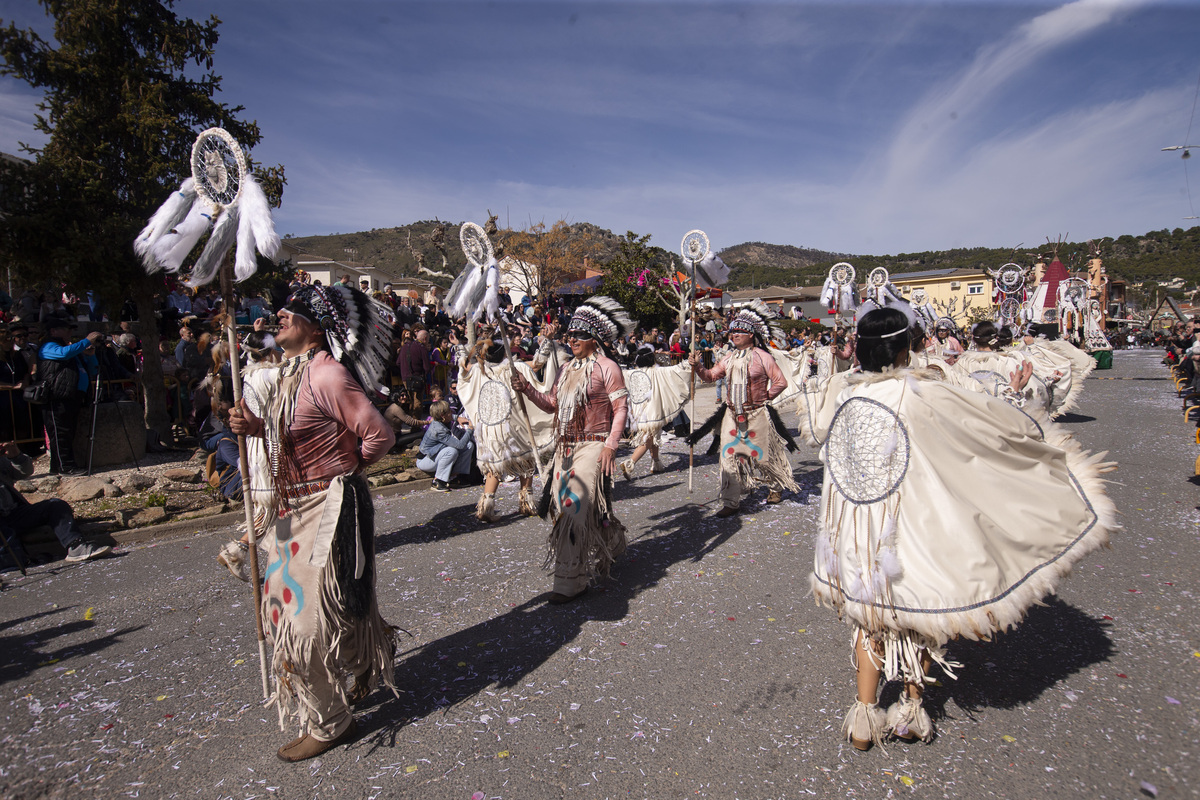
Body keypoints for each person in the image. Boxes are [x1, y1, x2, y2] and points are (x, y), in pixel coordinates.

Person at [809, 307, 1116, 750]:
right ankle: (911, 711)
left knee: (868, 622)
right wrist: (1016, 399)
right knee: (920, 620)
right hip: (909, 527)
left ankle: (863, 716)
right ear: (904, 348)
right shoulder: (919, 394)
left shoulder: (846, 397)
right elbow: (988, 428)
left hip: (858, 532)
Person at [228, 283, 397, 762]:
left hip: (325, 509)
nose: (278, 316)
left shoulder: (327, 375)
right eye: (279, 310)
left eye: (290, 312)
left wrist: (347, 473)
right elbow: (291, 432)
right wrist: (255, 429)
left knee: (303, 622)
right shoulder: (291, 373)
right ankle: (351, 672)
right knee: (279, 608)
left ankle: (330, 722)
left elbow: (379, 435)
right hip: (287, 512)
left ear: (315, 325)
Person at [511, 296, 631, 604]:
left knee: (574, 509)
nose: (572, 339)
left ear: (593, 339)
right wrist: (526, 388)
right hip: (564, 447)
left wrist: (611, 445)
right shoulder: (565, 370)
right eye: (571, 335)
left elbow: (620, 408)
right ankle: (612, 539)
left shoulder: (607, 367)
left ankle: (570, 581)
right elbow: (552, 404)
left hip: (593, 445)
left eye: (579, 335)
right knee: (563, 507)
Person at [686, 301, 798, 517]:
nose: (734, 335)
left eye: (739, 331)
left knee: (762, 456)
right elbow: (710, 376)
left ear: (751, 335)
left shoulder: (763, 357)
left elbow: (780, 382)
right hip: (731, 414)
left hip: (756, 413)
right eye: (733, 331)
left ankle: (775, 488)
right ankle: (731, 501)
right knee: (728, 456)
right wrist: (697, 366)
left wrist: (764, 398)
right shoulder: (728, 358)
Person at [0, 440, 111, 566]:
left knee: (56, 506)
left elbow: (24, 472)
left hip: (14, 514)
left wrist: (16, 456)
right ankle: (17, 560)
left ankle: (76, 546)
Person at [38, 313, 100, 475]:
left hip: (72, 396)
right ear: (54, 331)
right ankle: (66, 467)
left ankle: (57, 468)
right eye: (65, 329)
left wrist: (90, 354)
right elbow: (63, 354)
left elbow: (93, 369)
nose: (69, 332)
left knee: (68, 432)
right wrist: (86, 341)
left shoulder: (72, 349)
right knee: (60, 432)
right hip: (56, 396)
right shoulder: (48, 346)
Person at [416, 400, 475, 492]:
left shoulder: (441, 420)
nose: (451, 413)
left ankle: (455, 477)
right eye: (449, 411)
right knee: (451, 451)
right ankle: (438, 481)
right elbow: (460, 445)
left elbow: (450, 417)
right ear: (442, 416)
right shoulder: (438, 429)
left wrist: (458, 418)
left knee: (469, 445)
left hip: (436, 454)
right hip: (425, 459)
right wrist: (470, 429)